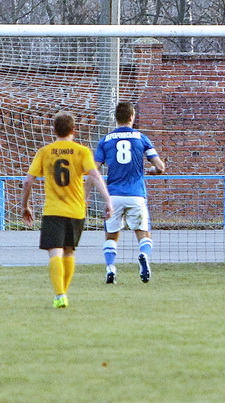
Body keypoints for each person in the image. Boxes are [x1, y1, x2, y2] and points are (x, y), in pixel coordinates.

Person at [21, 111, 112, 308]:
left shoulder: (45, 152)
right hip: (76, 210)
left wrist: (25, 206)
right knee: (69, 252)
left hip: (53, 210)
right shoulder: (82, 151)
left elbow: (28, 181)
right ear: (73, 130)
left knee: (55, 252)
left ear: (54, 130)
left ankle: (59, 294)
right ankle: (63, 293)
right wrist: (108, 201)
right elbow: (95, 176)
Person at [92, 101, 165, 284]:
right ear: (132, 117)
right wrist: (152, 171)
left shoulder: (105, 140)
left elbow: (94, 170)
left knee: (111, 236)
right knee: (143, 234)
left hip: (114, 196)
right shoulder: (141, 138)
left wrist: (86, 195)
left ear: (115, 118)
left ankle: (110, 268)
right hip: (136, 194)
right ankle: (143, 255)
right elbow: (160, 167)